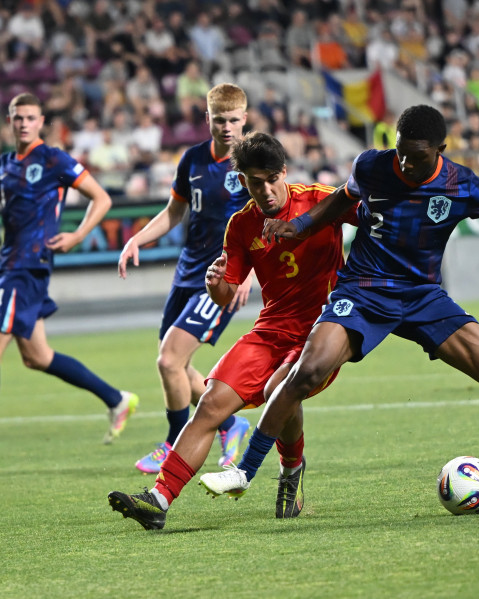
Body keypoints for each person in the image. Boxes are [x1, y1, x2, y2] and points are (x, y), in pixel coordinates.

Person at [200, 104, 479, 508]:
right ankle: (244, 471)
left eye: (416, 155)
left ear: (440, 149)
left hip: (422, 296)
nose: (404, 162)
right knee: (306, 371)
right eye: (399, 150)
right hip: (363, 290)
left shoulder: (462, 184)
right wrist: (296, 226)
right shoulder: (371, 166)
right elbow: (337, 202)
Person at [108, 132, 356, 530]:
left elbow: (374, 216)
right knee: (210, 403)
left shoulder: (320, 199)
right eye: (255, 183)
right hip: (270, 330)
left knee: (282, 387)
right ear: (243, 182)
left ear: (284, 173)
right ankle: (157, 500)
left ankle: (291, 469)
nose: (266, 189)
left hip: (323, 330)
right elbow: (226, 295)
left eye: (272, 178)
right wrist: (215, 284)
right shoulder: (241, 226)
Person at [117, 83, 252, 474]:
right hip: (186, 274)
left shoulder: (253, 161)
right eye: (220, 120)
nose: (227, 128)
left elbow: (269, 221)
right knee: (175, 365)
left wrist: (246, 276)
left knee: (169, 360)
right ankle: (230, 423)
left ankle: (174, 445)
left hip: (220, 277)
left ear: (244, 119)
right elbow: (174, 212)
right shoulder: (192, 159)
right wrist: (136, 239)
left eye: (234, 120)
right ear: (207, 119)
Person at [0, 93, 138, 443]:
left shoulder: (52, 158)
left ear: (42, 121)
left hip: (28, 266)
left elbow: (102, 197)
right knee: (36, 356)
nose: (24, 124)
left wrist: (77, 235)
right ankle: (116, 399)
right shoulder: (5, 164)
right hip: (10, 261)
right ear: (10, 120)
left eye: (31, 117)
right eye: (18, 118)